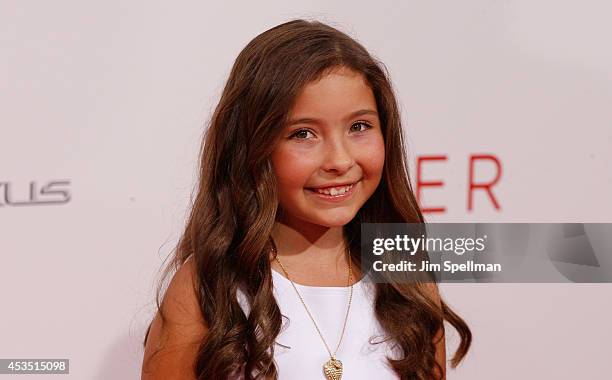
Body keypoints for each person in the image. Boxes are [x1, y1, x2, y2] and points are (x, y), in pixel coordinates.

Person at [141, 19, 471, 380]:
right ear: (252, 148)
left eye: (359, 127)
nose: (340, 161)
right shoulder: (209, 290)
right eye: (303, 134)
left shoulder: (407, 283)